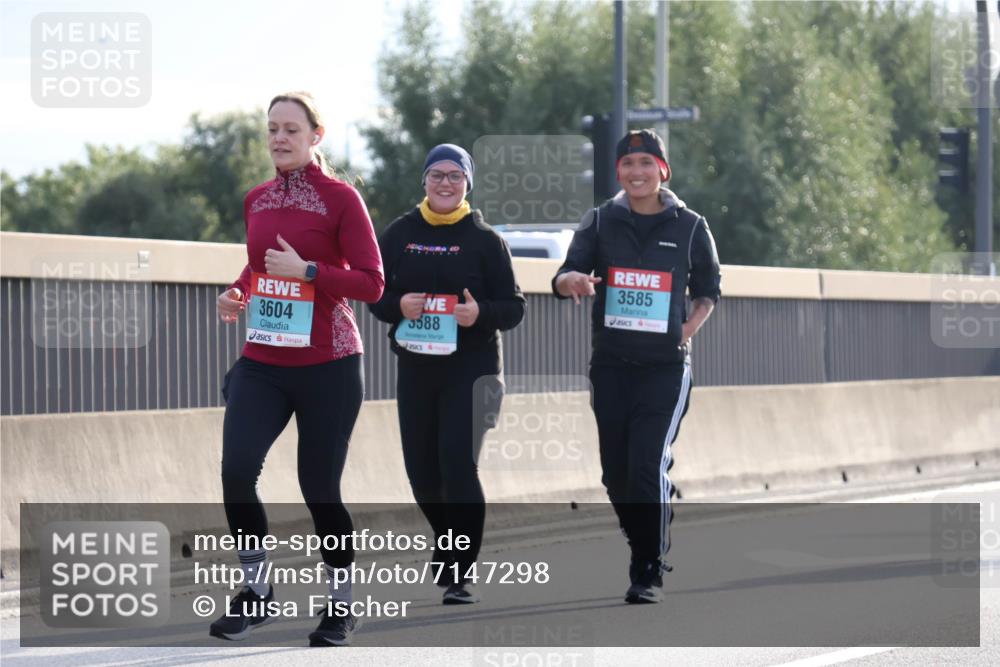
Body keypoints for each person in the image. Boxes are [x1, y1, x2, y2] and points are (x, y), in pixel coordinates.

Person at [211, 91, 384, 646]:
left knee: (319, 488)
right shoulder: (256, 199)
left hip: (328, 363)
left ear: (316, 136)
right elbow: (257, 264)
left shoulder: (342, 199)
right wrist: (237, 292)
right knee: (237, 471)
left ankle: (339, 606)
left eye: (291, 129)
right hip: (262, 359)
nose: (279, 138)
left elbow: (372, 283)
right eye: (272, 130)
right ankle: (257, 592)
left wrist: (309, 269)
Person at [552, 129, 721, 604]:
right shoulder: (600, 220)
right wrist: (572, 282)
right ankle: (642, 533)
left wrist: (684, 331)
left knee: (646, 465)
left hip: (665, 368)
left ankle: (649, 566)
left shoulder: (690, 225)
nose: (637, 172)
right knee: (616, 474)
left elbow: (709, 288)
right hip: (611, 364)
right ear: (618, 172)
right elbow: (565, 272)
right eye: (628, 164)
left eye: (647, 163)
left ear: (662, 170)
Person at [369, 143, 525, 605]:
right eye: (436, 174)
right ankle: (448, 537)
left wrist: (480, 313)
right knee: (422, 473)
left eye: (455, 176)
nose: (444, 183)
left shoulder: (485, 239)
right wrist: (397, 304)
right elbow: (373, 291)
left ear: (467, 184)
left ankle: (460, 571)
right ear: (424, 181)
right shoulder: (400, 233)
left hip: (472, 370)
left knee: (458, 464)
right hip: (417, 368)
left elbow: (514, 307)